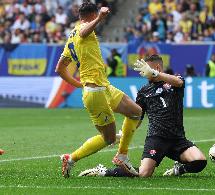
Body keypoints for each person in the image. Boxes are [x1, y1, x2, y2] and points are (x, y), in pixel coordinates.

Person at [78, 54, 207, 178]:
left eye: (147, 69)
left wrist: (155, 74)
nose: (144, 73)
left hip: (177, 138)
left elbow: (179, 82)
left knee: (200, 161)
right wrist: (123, 134)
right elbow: (137, 117)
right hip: (156, 138)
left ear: (156, 68)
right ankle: (104, 171)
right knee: (144, 174)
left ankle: (178, 169)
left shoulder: (174, 82)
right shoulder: (144, 91)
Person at [55, 2, 142, 178]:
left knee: (136, 112)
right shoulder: (81, 29)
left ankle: (122, 156)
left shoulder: (70, 38)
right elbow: (83, 31)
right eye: (96, 16)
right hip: (95, 92)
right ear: (93, 15)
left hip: (104, 86)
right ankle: (70, 158)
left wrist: (77, 84)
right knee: (109, 138)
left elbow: (60, 68)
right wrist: (100, 19)